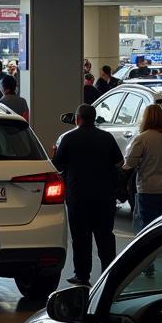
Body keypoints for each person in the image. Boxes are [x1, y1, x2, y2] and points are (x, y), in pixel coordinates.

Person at [52, 104, 123, 286]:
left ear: (78, 118)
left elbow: (57, 166)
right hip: (104, 197)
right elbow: (119, 161)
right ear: (94, 118)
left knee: (81, 238)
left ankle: (82, 275)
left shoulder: (69, 138)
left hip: (78, 197)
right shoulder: (106, 138)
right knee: (105, 237)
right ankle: (109, 273)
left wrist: (55, 154)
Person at [123, 103, 162, 232]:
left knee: (149, 228)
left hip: (149, 189)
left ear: (145, 118)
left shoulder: (142, 139)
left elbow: (130, 164)